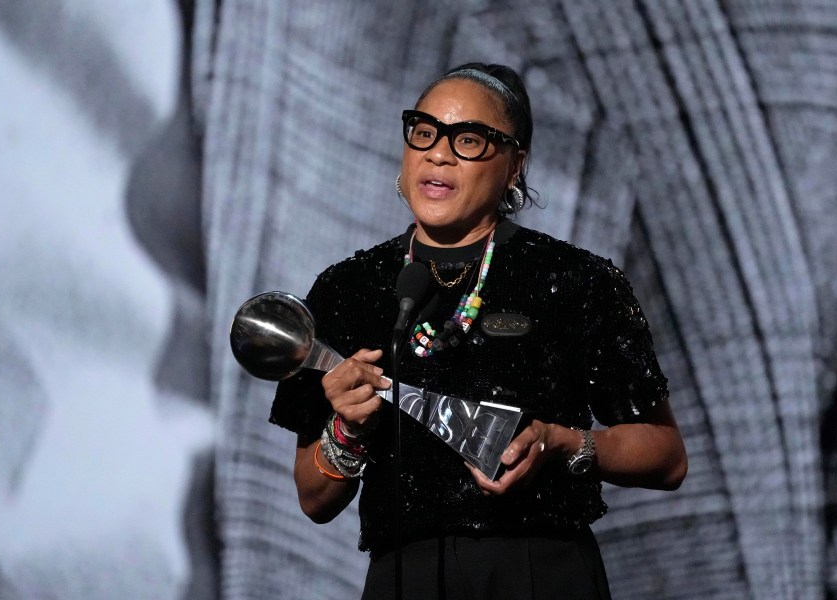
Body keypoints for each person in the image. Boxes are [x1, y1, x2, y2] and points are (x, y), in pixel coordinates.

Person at [269, 62, 688, 600]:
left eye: (468, 139)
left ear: (515, 165)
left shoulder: (577, 281)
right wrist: (347, 431)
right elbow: (313, 499)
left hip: (541, 573)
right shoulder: (347, 290)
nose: (438, 152)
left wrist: (562, 443)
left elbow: (668, 457)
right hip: (406, 578)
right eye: (424, 131)